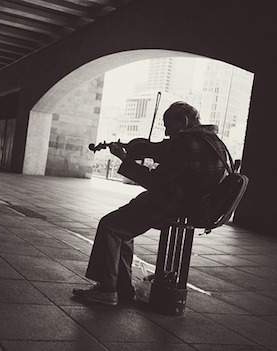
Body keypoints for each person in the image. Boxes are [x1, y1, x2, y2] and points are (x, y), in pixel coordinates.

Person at [72, 101, 227, 306]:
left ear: (184, 121)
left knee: (110, 226)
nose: (166, 131)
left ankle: (106, 290)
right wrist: (140, 151)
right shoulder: (212, 141)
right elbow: (165, 155)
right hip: (192, 204)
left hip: (172, 203)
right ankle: (122, 288)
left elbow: (154, 182)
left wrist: (125, 159)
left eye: (168, 125)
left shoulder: (185, 143)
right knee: (122, 229)